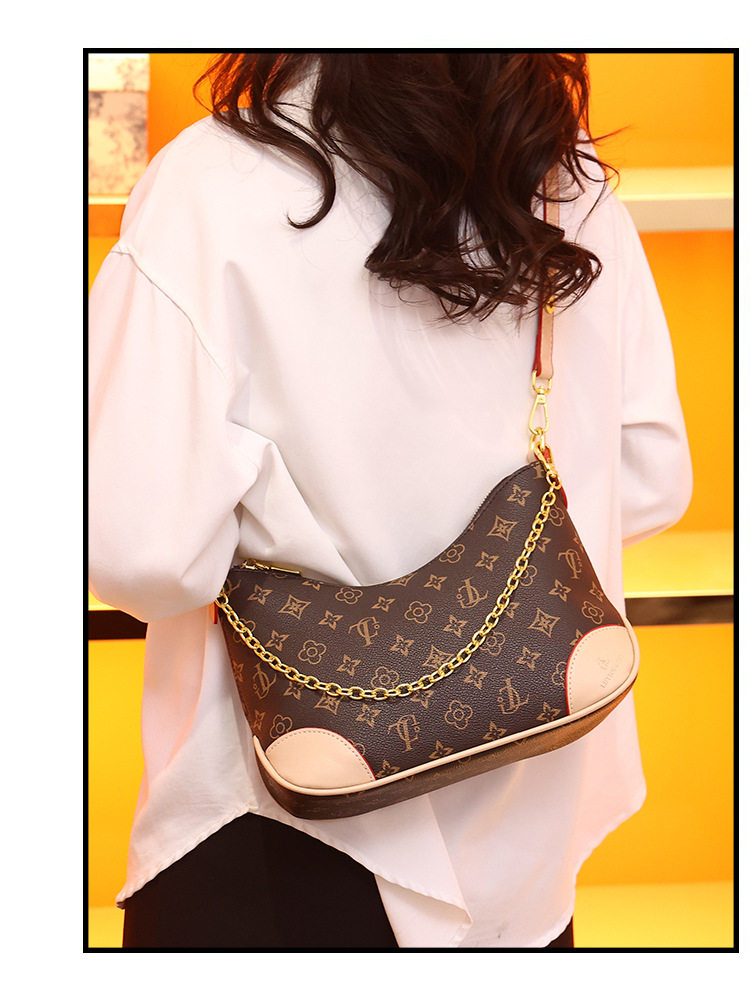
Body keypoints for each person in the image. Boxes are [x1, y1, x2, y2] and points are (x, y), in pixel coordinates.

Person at [88, 52, 691, 950]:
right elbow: (649, 474)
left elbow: (143, 554)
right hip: (526, 833)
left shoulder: (210, 183)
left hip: (275, 832)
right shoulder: (563, 174)